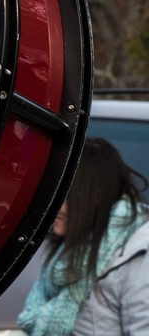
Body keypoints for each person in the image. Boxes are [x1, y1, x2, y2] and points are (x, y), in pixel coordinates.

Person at [17, 137, 149, 336]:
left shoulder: (138, 254)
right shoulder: (68, 248)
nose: (55, 207)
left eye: (66, 195)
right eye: (53, 194)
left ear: (94, 196)